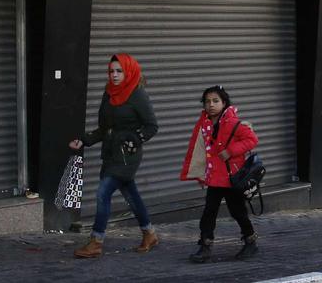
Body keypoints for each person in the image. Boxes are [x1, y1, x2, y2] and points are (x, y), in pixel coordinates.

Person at [69, 54, 160, 258]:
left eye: (119, 71)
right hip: (110, 154)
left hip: (127, 156)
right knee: (131, 194)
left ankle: (96, 241)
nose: (115, 75)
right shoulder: (109, 94)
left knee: (103, 192)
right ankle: (149, 233)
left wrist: (134, 138)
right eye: (111, 71)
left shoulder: (137, 94)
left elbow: (152, 126)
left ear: (129, 72)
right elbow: (105, 128)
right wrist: (84, 140)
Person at [180, 85, 259, 263]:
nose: (211, 105)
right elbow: (200, 151)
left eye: (216, 101)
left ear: (224, 103)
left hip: (232, 179)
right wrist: (201, 175)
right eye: (207, 101)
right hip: (215, 179)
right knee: (209, 212)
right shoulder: (205, 125)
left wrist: (231, 151)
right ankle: (205, 246)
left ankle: (250, 241)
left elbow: (252, 139)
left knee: (238, 212)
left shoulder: (233, 123)